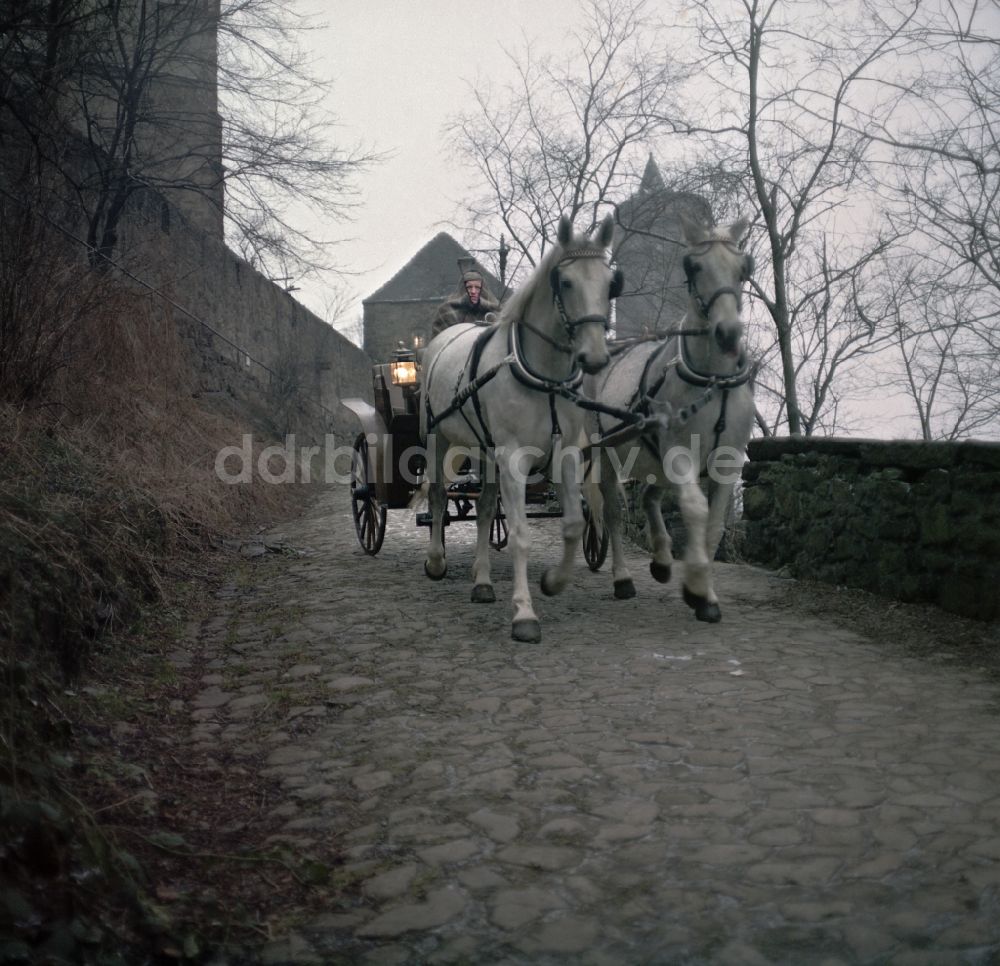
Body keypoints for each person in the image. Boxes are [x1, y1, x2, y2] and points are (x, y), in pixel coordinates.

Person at [430, 269, 500, 337]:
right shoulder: (447, 310)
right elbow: (438, 342)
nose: (473, 291)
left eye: (477, 287)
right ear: (463, 289)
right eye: (469, 287)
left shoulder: (493, 312)